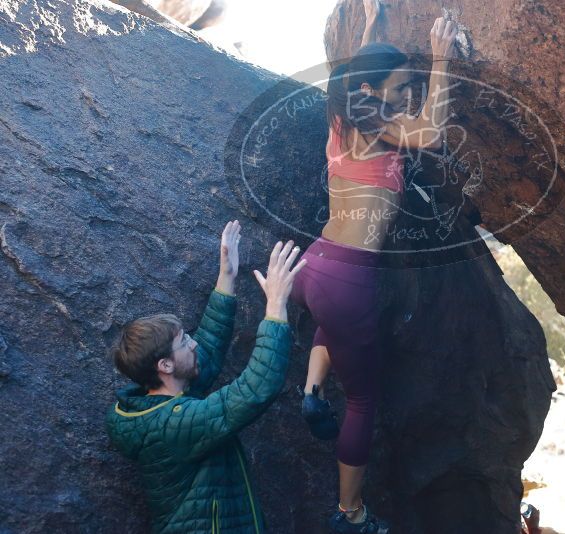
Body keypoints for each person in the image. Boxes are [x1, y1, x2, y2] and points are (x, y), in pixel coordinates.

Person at [288, 1, 458, 531]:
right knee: (362, 399)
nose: (408, 90)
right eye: (401, 83)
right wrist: (440, 57)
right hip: (346, 276)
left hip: (317, 265)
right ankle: (350, 514)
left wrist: (368, 21)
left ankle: (313, 387)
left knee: (336, 321)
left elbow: (362, 62)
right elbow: (431, 132)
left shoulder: (343, 114)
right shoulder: (379, 123)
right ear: (373, 89)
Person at [105, 220, 307, 534]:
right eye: (184, 341)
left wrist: (227, 275)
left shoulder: (165, 402)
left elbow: (209, 345)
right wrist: (276, 306)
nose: (194, 342)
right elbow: (254, 389)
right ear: (165, 366)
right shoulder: (174, 424)